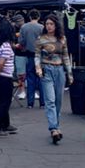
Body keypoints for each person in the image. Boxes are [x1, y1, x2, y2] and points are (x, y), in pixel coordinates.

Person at [35, 14, 73, 144]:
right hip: (47, 70)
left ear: (56, 25)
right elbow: (37, 55)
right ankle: (53, 128)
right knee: (50, 100)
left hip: (60, 70)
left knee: (58, 101)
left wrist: (69, 73)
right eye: (47, 24)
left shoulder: (62, 39)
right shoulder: (41, 39)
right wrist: (38, 68)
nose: (49, 26)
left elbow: (66, 56)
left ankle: (56, 126)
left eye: (51, 24)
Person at [0, 19, 18, 138]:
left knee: (5, 99)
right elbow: (1, 63)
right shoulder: (6, 46)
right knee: (5, 102)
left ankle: (6, 124)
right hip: (5, 76)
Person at [19, 10, 45, 109]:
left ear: (29, 17)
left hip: (29, 55)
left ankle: (30, 103)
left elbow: (21, 41)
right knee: (41, 78)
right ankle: (42, 103)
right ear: (38, 17)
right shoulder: (42, 27)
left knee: (30, 79)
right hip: (40, 56)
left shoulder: (24, 27)